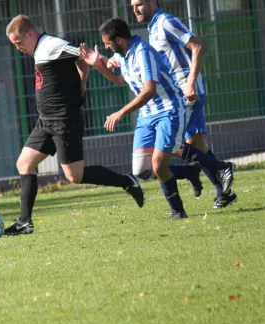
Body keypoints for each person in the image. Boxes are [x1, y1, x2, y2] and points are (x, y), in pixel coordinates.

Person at [3, 15, 144, 235]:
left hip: (64, 121)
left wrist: (105, 62)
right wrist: (82, 77)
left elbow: (84, 55)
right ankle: (24, 223)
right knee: (24, 164)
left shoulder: (51, 45)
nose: (18, 48)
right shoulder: (40, 49)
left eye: (19, 42)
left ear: (30, 34)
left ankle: (126, 181)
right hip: (45, 121)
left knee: (74, 177)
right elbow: (78, 62)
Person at [80, 18, 209, 219]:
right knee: (142, 170)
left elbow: (149, 90)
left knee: (158, 163)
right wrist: (97, 63)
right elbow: (118, 80)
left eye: (107, 43)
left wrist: (121, 112)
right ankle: (190, 172)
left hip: (168, 109)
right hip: (148, 114)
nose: (106, 47)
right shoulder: (122, 54)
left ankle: (178, 210)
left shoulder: (142, 52)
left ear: (119, 40)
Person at [131, 0, 237, 209]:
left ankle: (219, 168)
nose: (135, 9)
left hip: (186, 93)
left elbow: (198, 46)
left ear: (153, 2)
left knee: (171, 142)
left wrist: (190, 83)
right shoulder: (153, 28)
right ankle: (222, 190)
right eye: (133, 5)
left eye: (140, 4)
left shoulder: (165, 22)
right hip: (182, 93)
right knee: (195, 143)